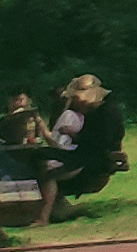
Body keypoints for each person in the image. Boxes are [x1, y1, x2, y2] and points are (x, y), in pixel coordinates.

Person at [44, 75, 126, 205]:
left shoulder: (107, 112)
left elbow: (99, 142)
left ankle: (47, 206)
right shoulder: (92, 112)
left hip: (95, 160)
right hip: (86, 155)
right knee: (41, 155)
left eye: (76, 97)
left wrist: (73, 135)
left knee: (46, 171)